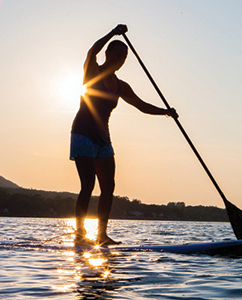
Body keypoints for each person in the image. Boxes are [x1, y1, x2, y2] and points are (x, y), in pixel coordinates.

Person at [70, 24, 177, 245]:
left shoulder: (121, 86)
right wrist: (112, 33)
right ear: (108, 54)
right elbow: (92, 51)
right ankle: (80, 235)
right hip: (82, 133)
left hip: (103, 139)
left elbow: (141, 105)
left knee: (108, 186)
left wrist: (166, 112)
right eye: (117, 54)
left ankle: (101, 235)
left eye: (124, 56)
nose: (120, 59)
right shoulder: (93, 71)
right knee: (88, 185)